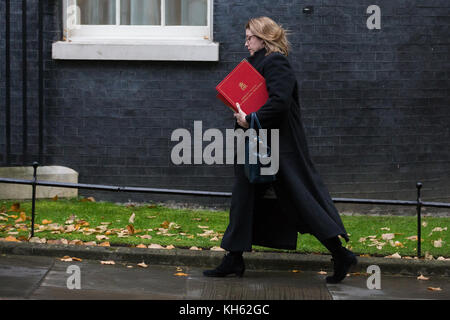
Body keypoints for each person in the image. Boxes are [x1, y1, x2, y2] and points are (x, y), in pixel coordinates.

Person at [203, 17, 357, 284]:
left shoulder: (275, 62)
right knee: (243, 198)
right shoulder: (256, 64)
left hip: (279, 148)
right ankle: (234, 258)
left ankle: (340, 253)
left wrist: (249, 119)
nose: (246, 42)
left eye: (250, 37)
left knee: (299, 200)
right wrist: (243, 115)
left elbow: (280, 103)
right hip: (259, 145)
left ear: (263, 38)